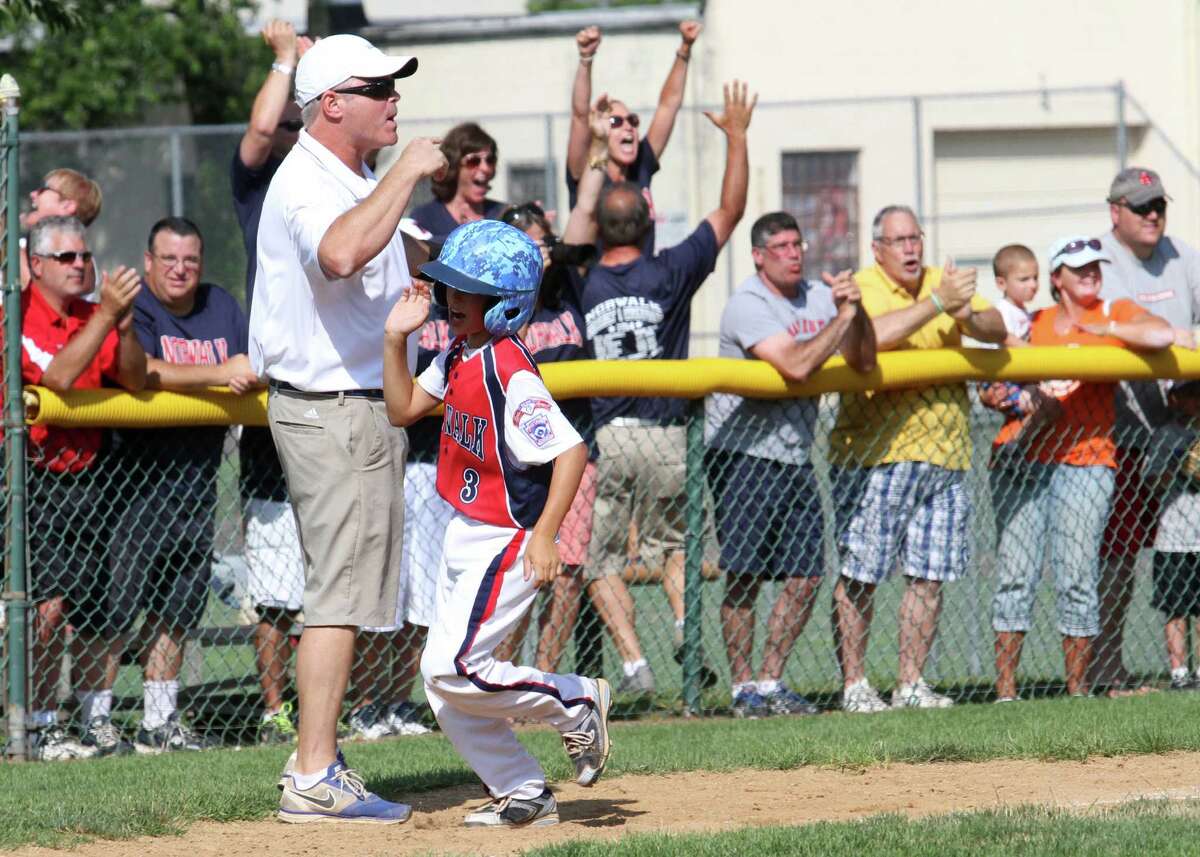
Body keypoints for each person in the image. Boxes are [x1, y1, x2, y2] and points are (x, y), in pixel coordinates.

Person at [251, 33, 446, 824]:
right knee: (335, 595)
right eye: (379, 88)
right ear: (332, 103)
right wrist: (406, 173)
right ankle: (313, 770)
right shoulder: (308, 180)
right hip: (330, 409)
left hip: (358, 408)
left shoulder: (348, 174)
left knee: (349, 593)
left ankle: (319, 761)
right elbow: (337, 254)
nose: (395, 100)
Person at [382, 218, 610, 829]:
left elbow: (571, 451)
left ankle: (576, 699)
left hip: (506, 538)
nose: (452, 300)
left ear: (505, 301)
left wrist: (545, 535)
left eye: (467, 291)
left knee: (451, 669)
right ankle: (524, 793)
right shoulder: (461, 351)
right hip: (465, 529)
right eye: (449, 288)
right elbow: (404, 409)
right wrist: (393, 339)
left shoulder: (507, 367)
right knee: (443, 687)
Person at [574, 80, 755, 696]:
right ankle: (684, 624)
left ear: (600, 227)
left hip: (613, 440)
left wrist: (597, 152)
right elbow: (730, 212)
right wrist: (736, 137)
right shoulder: (672, 268)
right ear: (649, 216)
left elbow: (575, 226)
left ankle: (633, 665)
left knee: (599, 562)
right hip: (672, 437)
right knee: (675, 546)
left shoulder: (584, 280)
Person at [829, 205, 1007, 713]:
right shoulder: (862, 285)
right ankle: (856, 685)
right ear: (877, 249)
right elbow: (868, 340)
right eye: (899, 240)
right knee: (860, 574)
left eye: (915, 238)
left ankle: (910, 684)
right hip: (873, 457)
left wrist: (966, 313)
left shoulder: (941, 282)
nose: (911, 248)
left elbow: (997, 326)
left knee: (928, 576)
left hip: (946, 454)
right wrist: (936, 303)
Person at [985, 237, 1172, 700]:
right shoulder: (1034, 321)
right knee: (1016, 575)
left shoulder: (1115, 314)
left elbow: (1161, 335)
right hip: (1024, 459)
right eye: (1077, 267)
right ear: (1056, 278)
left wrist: (1102, 326)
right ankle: (1006, 692)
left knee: (1077, 577)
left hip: (1086, 462)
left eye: (1095, 265)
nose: (1089, 273)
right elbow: (992, 384)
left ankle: (1077, 691)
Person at [705, 211, 876, 718]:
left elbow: (864, 358)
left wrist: (855, 309)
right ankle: (742, 690)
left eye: (798, 243)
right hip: (742, 455)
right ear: (759, 255)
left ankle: (771, 680)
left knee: (805, 576)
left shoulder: (819, 298)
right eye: (780, 246)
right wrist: (842, 321)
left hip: (796, 456)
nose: (794, 253)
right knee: (744, 574)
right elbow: (797, 365)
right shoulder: (748, 305)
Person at [106, 217, 260, 753]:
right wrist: (219, 371)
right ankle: (93, 719)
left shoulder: (219, 305)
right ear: (148, 262)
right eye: (168, 259)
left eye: (190, 260)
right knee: (116, 611)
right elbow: (139, 372)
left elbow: (252, 363)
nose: (179, 270)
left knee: (179, 607)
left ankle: (159, 722)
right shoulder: (140, 309)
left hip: (198, 481)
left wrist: (237, 370)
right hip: (133, 484)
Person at [21, 216, 146, 761]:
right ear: (37, 264)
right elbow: (58, 379)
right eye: (67, 258)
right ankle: (39, 725)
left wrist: (124, 324)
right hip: (34, 479)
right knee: (44, 611)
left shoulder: (98, 315)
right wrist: (108, 317)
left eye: (84, 256)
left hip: (95, 476)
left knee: (97, 604)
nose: (80, 265)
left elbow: (136, 380)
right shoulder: (17, 315)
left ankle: (87, 721)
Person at [231, 19, 312, 744]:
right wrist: (289, 60)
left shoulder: (335, 180)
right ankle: (274, 706)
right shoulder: (261, 186)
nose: (290, 130)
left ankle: (333, 708)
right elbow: (260, 130)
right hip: (281, 394)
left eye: (301, 119)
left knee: (336, 587)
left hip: (339, 391)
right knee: (277, 591)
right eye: (286, 117)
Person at [1093, 167, 1200, 695]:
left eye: (1158, 203)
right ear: (1115, 211)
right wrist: (1179, 336)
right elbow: (1126, 326)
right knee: (1118, 558)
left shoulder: (1182, 255)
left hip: (1187, 438)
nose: (1153, 213)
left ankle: (1181, 670)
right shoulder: (1102, 262)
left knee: (1190, 552)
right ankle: (1106, 667)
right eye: (1141, 206)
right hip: (1126, 440)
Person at [492, 200, 599, 672]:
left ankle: (544, 676)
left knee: (568, 572)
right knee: (517, 574)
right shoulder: (498, 312)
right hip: (516, 466)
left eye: (543, 244)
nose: (542, 253)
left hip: (573, 458)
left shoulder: (569, 290)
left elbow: (584, 217)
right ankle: (505, 679)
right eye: (528, 245)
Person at [566, 19, 702, 254]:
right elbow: (579, 116)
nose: (628, 127)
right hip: (598, 285)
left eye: (633, 121)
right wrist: (585, 59)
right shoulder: (587, 169)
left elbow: (668, 105)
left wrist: (685, 49)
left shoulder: (641, 166)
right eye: (616, 122)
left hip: (639, 280)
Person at [1151, 381, 1200, 690]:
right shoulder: (1166, 435)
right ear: (1175, 399)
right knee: (1175, 607)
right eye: (1190, 394)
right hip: (1174, 535)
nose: (1196, 399)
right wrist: (1179, 463)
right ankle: (1179, 672)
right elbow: (1153, 483)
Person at [409, 122, 507, 243]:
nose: (485, 168)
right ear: (454, 165)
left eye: (490, 160)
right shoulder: (425, 217)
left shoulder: (504, 215)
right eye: (474, 161)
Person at [20, 168, 103, 288]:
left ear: (67, 206)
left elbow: (36, 297)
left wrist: (11, 251)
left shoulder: (81, 262)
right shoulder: (22, 246)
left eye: (43, 190)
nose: (33, 194)